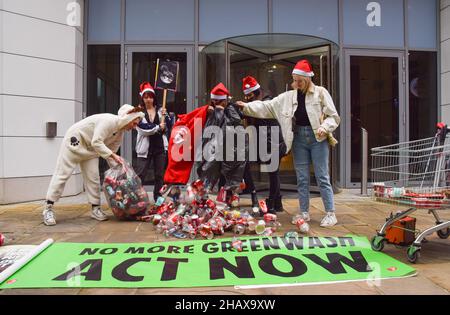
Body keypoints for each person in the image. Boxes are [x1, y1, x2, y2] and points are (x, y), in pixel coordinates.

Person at [236, 60, 340, 227]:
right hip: (298, 138)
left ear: (307, 79)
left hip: (317, 138)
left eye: (299, 81)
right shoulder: (289, 96)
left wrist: (324, 127)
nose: (296, 84)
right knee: (302, 178)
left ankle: (330, 213)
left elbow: (333, 116)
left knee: (322, 176)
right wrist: (246, 107)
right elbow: (267, 107)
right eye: (294, 80)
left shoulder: (320, 93)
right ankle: (304, 212)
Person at [43, 104, 145, 226]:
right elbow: (97, 142)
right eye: (134, 123)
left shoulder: (120, 133)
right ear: (127, 119)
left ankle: (95, 208)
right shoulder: (108, 121)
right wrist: (113, 156)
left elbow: (111, 154)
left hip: (91, 150)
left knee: (93, 177)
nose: (134, 127)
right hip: (75, 140)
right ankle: (48, 208)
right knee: (63, 174)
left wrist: (121, 172)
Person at [242, 76, 287, 214]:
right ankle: (276, 202)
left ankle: (272, 205)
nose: (248, 98)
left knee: (273, 173)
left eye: (250, 95)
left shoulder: (267, 103)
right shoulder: (257, 103)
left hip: (273, 142)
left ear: (257, 92)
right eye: (246, 96)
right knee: (272, 172)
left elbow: (258, 111)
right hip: (267, 142)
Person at [197, 83, 247, 203]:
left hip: (227, 150)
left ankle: (227, 199)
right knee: (218, 173)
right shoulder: (213, 111)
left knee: (227, 174)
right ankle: (221, 199)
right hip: (223, 151)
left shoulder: (227, 110)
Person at [135, 82, 173, 202]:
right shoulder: (139, 112)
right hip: (145, 148)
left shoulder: (160, 110)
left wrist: (166, 117)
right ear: (142, 98)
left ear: (154, 98)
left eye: (150, 97)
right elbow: (143, 129)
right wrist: (157, 127)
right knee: (140, 175)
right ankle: (137, 199)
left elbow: (168, 126)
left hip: (159, 147)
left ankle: (158, 200)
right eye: (145, 97)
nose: (148, 100)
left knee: (159, 176)